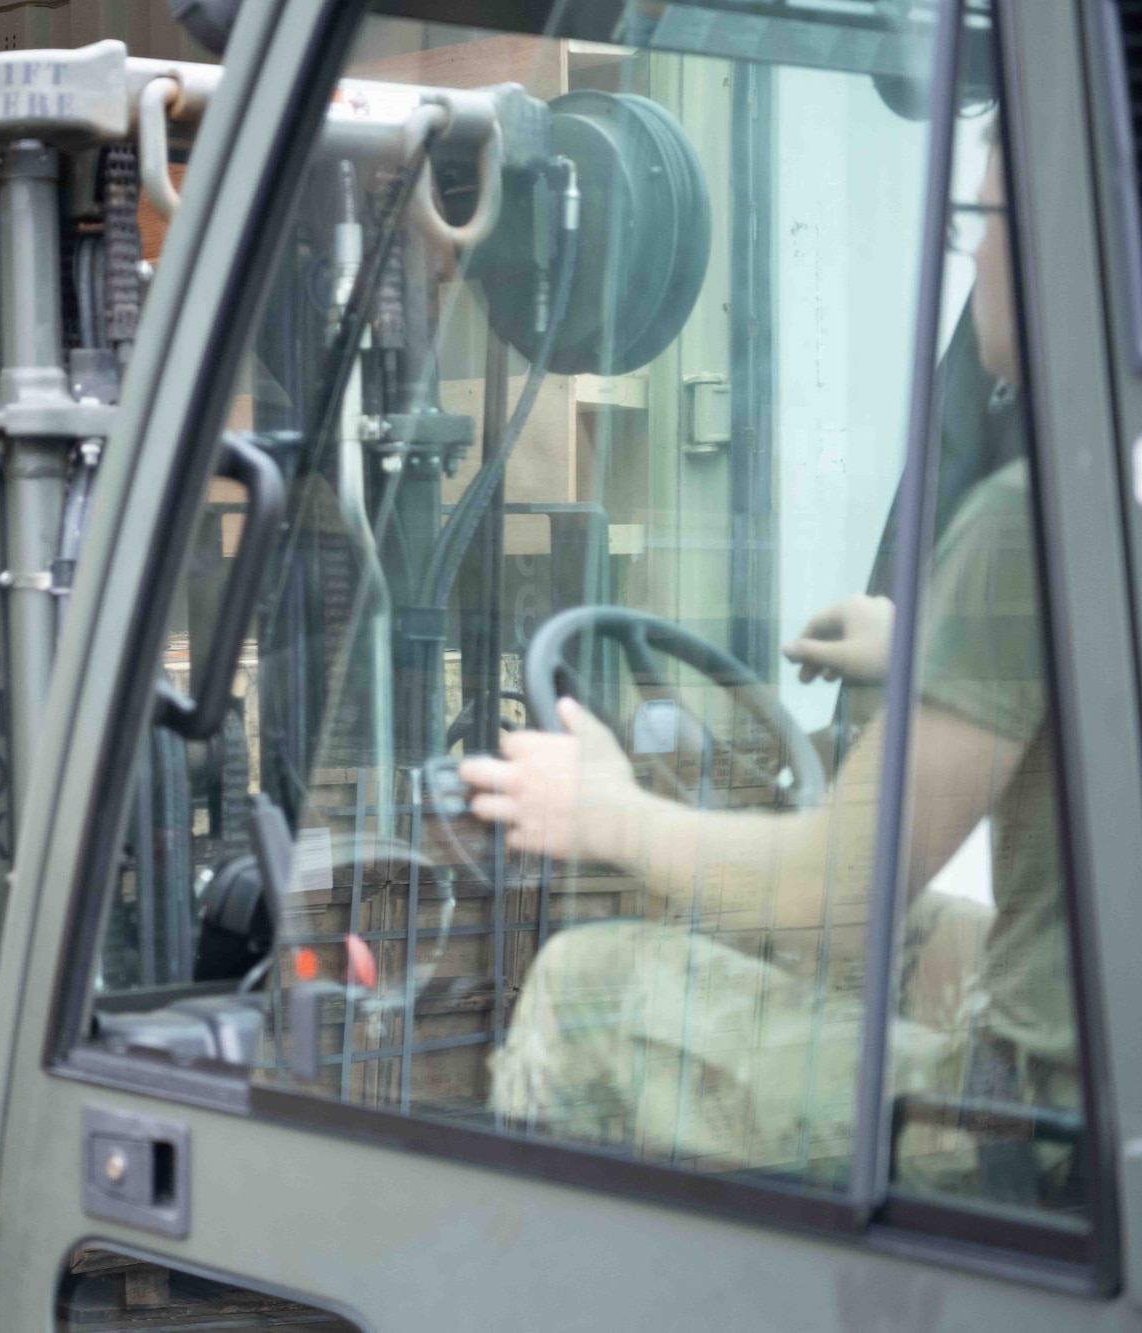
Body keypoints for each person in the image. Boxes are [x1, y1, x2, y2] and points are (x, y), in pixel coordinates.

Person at [459, 144, 1080, 1207]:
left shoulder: (1027, 525)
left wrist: (604, 811)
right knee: (894, 948)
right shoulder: (1098, 515)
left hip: (1039, 1130)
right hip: (1107, 1063)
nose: (971, 249)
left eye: (980, 214)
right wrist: (930, 649)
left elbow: (828, 891)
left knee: (583, 985)